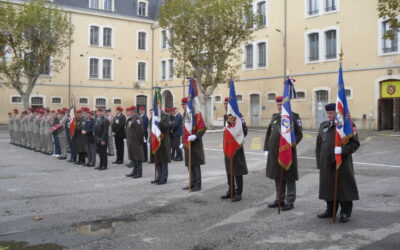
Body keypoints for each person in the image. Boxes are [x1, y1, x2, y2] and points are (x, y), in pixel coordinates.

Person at [316, 103, 360, 223]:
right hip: (326, 163)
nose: (328, 115)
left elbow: (355, 144)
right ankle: (330, 210)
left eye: (331, 113)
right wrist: (319, 163)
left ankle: (345, 212)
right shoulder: (323, 126)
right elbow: (319, 145)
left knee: (344, 187)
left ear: (337, 113)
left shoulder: (347, 125)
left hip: (342, 163)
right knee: (328, 187)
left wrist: (343, 150)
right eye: (327, 113)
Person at [264, 96, 303, 211]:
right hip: (275, 153)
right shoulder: (275, 117)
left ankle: (290, 200)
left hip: (288, 152)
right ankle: (279, 199)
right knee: (277, 176)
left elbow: (299, 134)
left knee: (289, 176)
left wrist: (289, 146)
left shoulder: (293, 117)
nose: (279, 107)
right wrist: (266, 148)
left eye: (281, 105)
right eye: (278, 105)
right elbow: (268, 134)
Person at [221, 97, 248, 202]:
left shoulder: (238, 115)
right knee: (229, 169)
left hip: (236, 147)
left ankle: (238, 193)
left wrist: (236, 140)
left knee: (237, 170)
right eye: (224, 103)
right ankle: (230, 190)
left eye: (228, 103)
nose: (226, 105)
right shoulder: (226, 116)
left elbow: (245, 130)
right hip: (227, 147)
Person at [181, 97, 207, 192]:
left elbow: (203, 128)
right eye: (182, 105)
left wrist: (195, 136)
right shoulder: (185, 114)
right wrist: (182, 142)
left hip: (195, 144)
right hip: (187, 144)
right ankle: (191, 183)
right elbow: (184, 130)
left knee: (195, 165)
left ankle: (197, 184)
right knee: (189, 164)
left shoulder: (195, 115)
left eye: (184, 104)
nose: (183, 106)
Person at [151, 108, 171, 185]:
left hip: (163, 141)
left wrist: (160, 122)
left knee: (163, 160)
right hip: (156, 140)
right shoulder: (154, 117)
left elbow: (166, 127)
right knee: (157, 160)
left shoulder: (165, 117)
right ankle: (159, 177)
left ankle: (163, 178)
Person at [125, 106, 145, 178]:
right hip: (131, 141)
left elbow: (140, 131)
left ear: (133, 111)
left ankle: (139, 173)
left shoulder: (137, 118)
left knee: (138, 158)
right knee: (134, 157)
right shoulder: (131, 118)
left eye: (129, 111)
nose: (128, 112)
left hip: (136, 142)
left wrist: (139, 141)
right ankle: (134, 171)